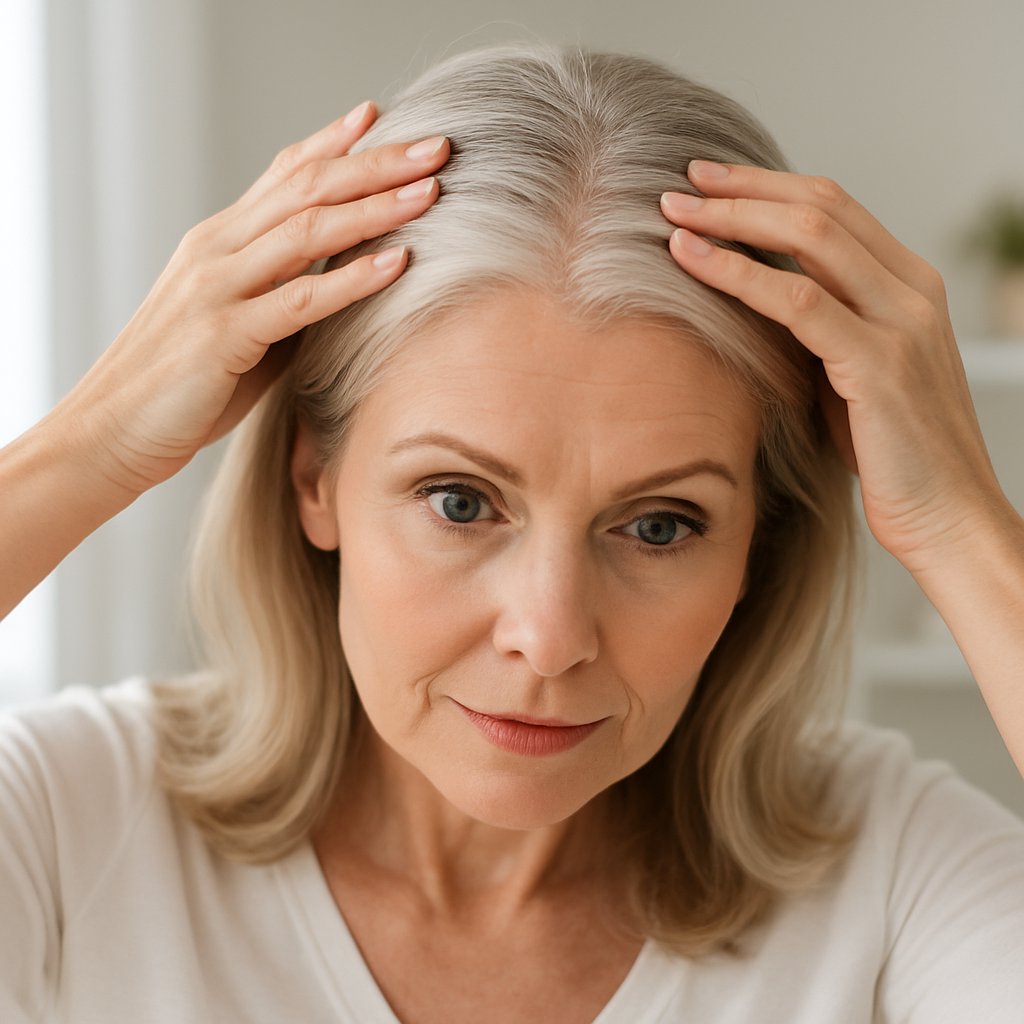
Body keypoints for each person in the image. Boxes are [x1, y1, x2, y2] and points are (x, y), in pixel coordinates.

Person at [1, 39, 1023, 1024]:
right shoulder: (69, 824)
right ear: (314, 479)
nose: (548, 634)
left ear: (758, 543)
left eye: (659, 524)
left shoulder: (889, 874)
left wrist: (958, 525)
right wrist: (94, 444)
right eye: (459, 500)